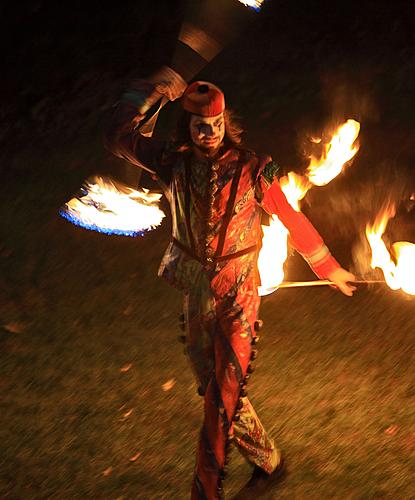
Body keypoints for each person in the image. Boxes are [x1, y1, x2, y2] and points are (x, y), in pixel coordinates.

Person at [104, 66, 356, 499]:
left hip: (240, 293)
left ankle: (204, 491)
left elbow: (292, 219)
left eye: (216, 125)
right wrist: (151, 91)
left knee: (222, 396)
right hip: (196, 291)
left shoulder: (254, 169)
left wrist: (328, 267)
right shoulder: (172, 163)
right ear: (189, 127)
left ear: (226, 123)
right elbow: (116, 135)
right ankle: (269, 462)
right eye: (201, 127)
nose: (209, 133)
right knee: (213, 387)